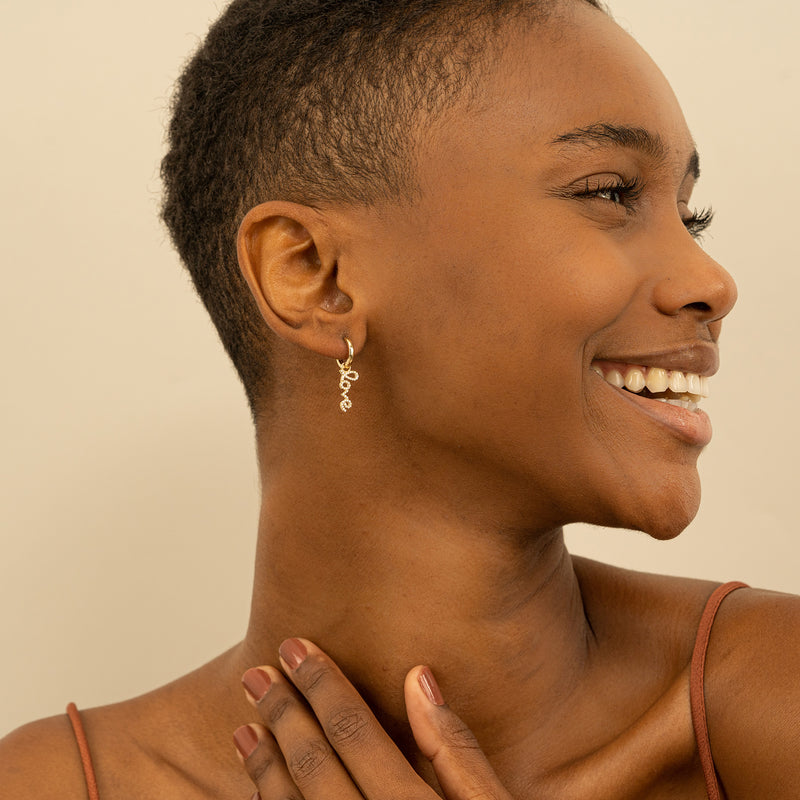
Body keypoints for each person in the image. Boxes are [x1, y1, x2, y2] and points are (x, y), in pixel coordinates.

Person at [1, 0, 798, 797]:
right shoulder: (53, 785)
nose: (711, 282)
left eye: (691, 215)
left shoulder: (768, 705)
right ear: (314, 274)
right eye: (610, 192)